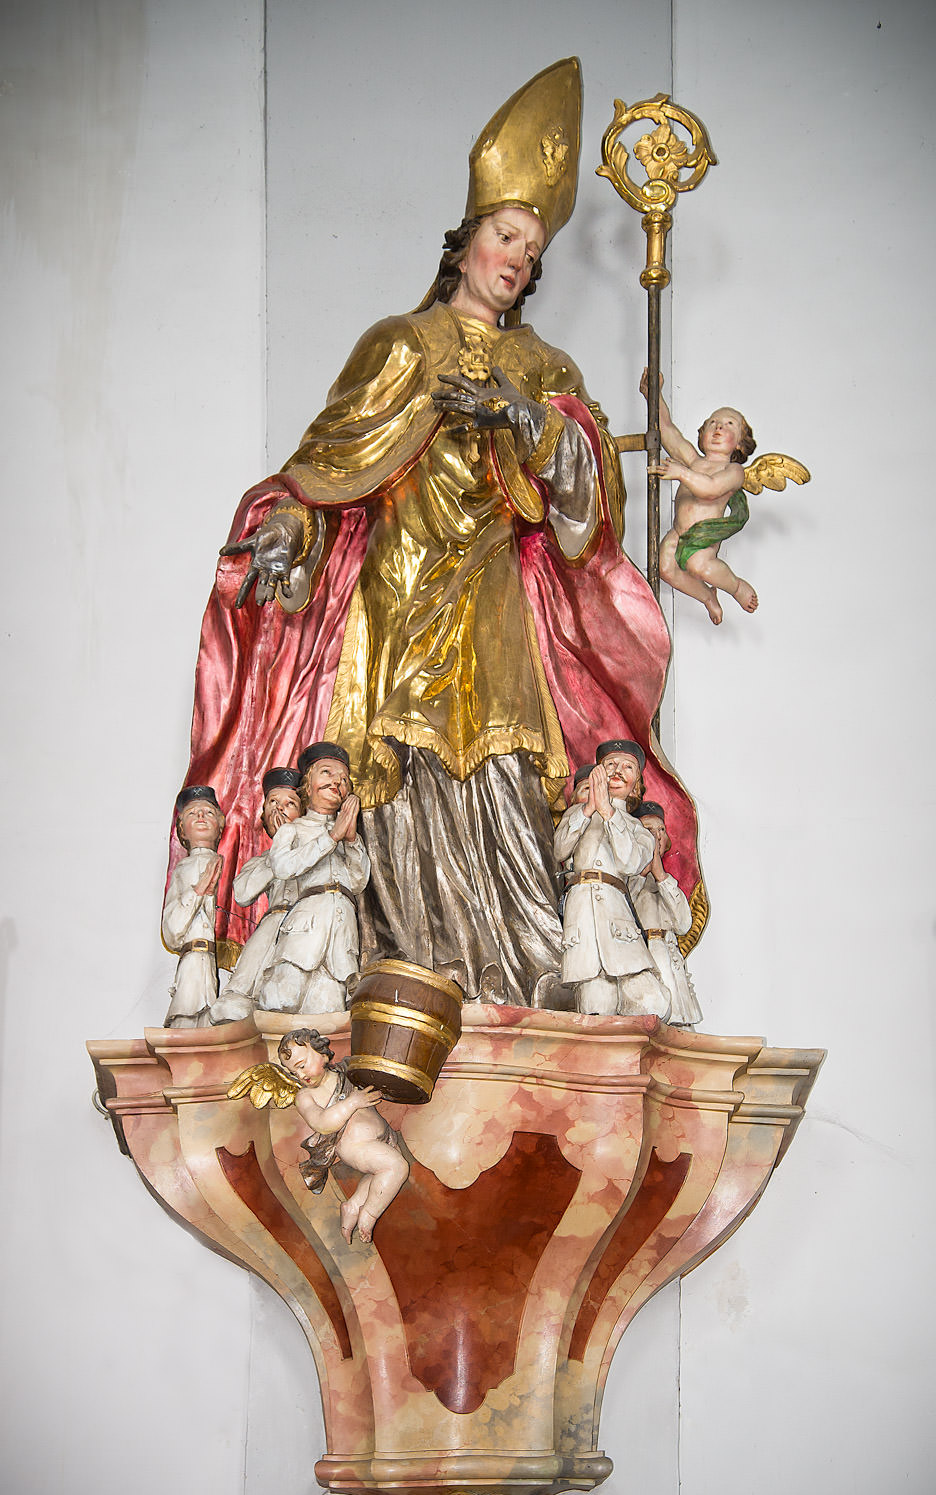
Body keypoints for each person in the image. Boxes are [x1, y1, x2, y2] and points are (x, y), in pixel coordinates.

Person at [172, 62, 705, 1003]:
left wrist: (526, 420)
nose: (518, 260)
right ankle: (393, 968)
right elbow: (325, 472)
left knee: (505, 765)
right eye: (506, 236)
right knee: (396, 773)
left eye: (532, 250)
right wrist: (286, 529)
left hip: (497, 599)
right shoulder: (400, 344)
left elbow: (589, 512)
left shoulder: (544, 365)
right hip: (397, 600)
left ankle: (522, 967)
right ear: (466, 243)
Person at [554, 740, 671, 1018]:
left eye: (627, 767)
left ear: (636, 784)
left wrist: (608, 813)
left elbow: (630, 862)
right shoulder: (577, 814)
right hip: (582, 921)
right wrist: (588, 810)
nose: (617, 771)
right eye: (610, 765)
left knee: (652, 1001)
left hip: (618, 925)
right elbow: (559, 850)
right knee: (596, 1003)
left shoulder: (637, 828)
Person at [257, 743, 369, 1015]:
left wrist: (350, 839)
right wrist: (330, 838)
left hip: (342, 934)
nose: (337, 782)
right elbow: (283, 866)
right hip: (305, 927)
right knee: (283, 998)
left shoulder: (347, 835)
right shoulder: (293, 830)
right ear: (307, 786)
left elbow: (357, 881)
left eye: (344, 779)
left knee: (329, 1007)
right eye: (327, 773)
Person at [641, 369, 757, 625]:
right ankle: (707, 596)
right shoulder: (693, 460)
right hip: (678, 532)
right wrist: (653, 394)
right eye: (712, 423)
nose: (718, 427)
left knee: (699, 566)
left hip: (703, 540)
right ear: (703, 433)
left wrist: (682, 473)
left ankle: (736, 587)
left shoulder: (732, 471)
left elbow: (710, 489)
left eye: (729, 424)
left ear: (740, 443)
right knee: (664, 568)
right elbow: (667, 430)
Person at [279, 1029, 408, 1244]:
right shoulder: (305, 1096)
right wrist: (352, 1102)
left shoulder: (346, 1071)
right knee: (395, 1167)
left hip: (381, 1137)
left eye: (301, 1066)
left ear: (322, 1054)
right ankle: (369, 1214)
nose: (300, 1076)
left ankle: (353, 1206)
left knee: (378, 1176)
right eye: (293, 1072)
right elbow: (322, 1123)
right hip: (355, 1146)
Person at [209, 766, 303, 1022]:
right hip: (273, 922)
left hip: (303, 927)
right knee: (242, 986)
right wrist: (279, 847)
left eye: (290, 803)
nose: (279, 809)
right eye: (273, 802)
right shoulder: (262, 860)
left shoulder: (314, 848)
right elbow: (243, 892)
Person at [630, 800, 702, 1027]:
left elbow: (683, 924)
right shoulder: (626, 880)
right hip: (641, 958)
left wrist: (661, 876)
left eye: (661, 830)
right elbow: (622, 907)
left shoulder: (668, 883)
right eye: (648, 830)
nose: (656, 836)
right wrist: (641, 873)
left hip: (669, 961)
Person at [162, 786, 225, 1028]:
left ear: (220, 825)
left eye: (208, 812)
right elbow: (172, 931)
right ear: (182, 830)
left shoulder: (231, 864)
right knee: (187, 1017)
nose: (200, 816)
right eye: (192, 813)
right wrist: (197, 891)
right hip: (192, 960)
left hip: (219, 965)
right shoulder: (182, 870)